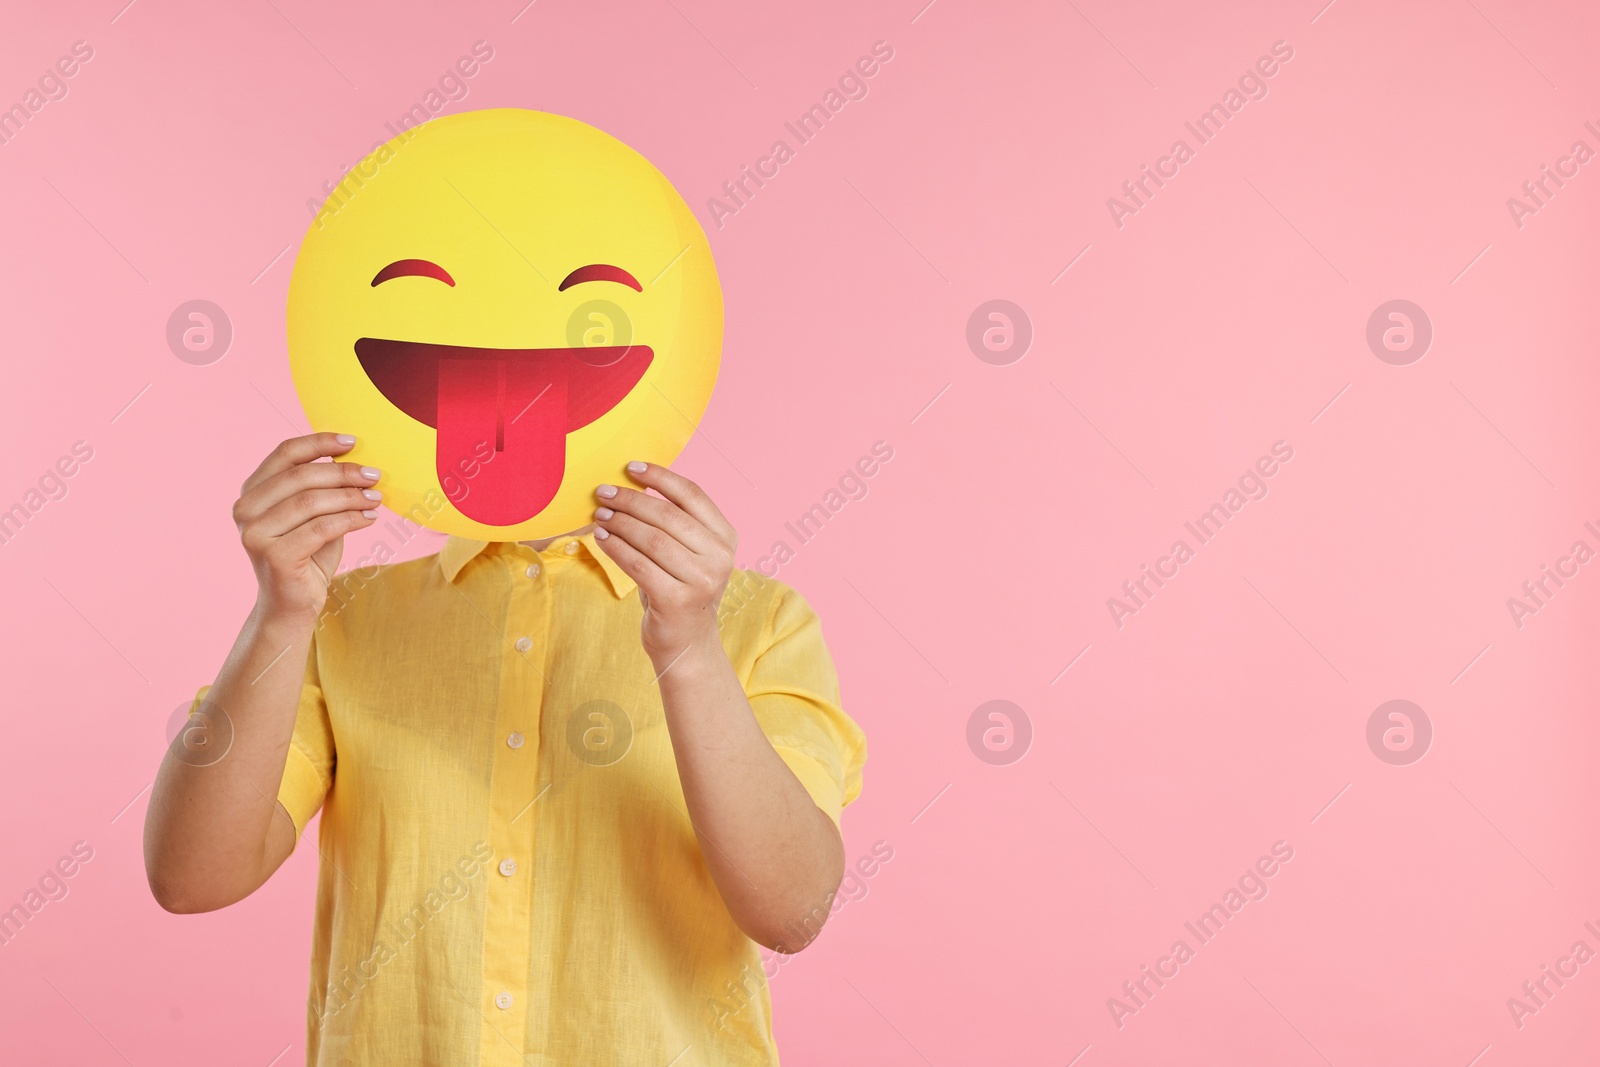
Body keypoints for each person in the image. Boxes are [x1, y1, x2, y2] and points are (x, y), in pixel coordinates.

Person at [143, 432, 867, 1066]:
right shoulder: (342, 618)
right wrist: (281, 614)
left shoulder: (760, 623)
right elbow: (190, 875)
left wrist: (692, 648)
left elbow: (793, 912)